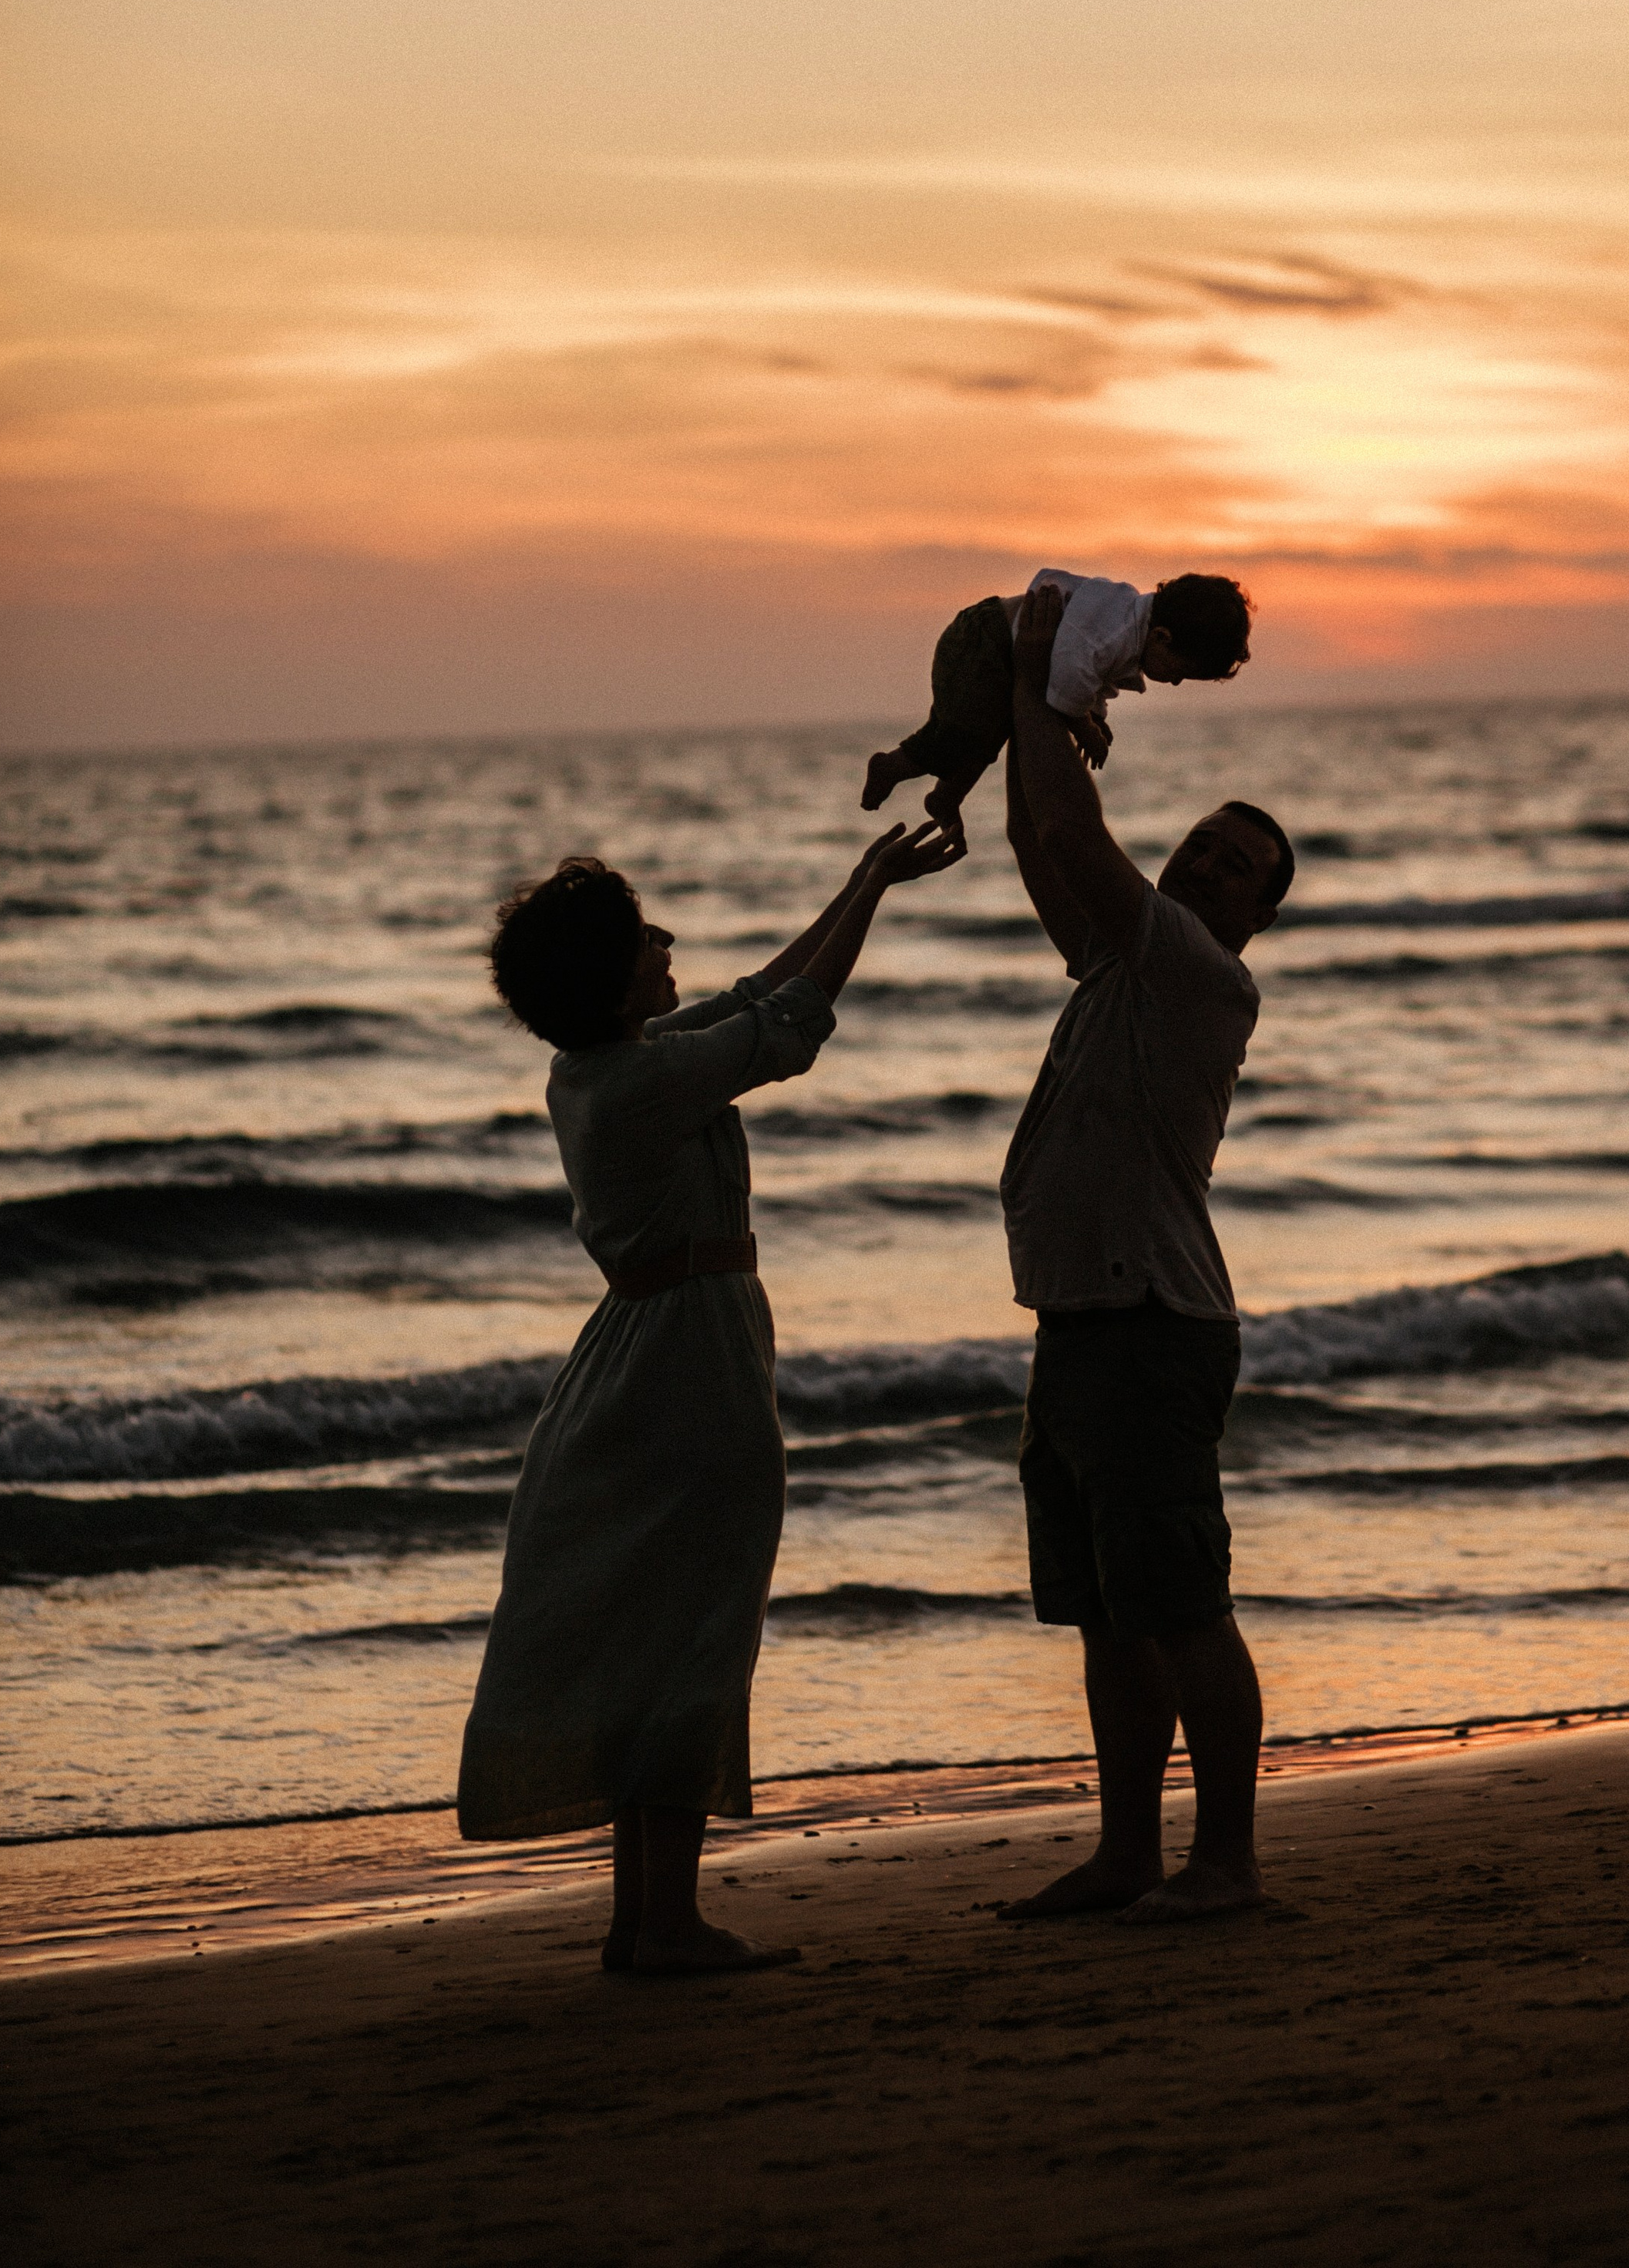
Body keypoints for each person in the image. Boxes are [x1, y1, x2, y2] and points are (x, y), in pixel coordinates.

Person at [457, 817, 962, 1977]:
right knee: (695, 1628)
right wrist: (873, 893)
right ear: (609, 976)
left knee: (658, 1628)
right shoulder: (637, 1082)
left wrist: (861, 878)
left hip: (644, 1354)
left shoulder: (600, 1068)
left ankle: (645, 1921)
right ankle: (666, 1923)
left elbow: (754, 994)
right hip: (688, 1364)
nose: (665, 945)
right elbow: (786, 1027)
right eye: (643, 940)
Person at [995, 582, 1293, 1923]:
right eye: (1203, 846)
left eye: (1239, 868)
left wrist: (1036, 673)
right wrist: (1025, 718)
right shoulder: (1122, 964)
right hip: (1081, 1319)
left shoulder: (1193, 970)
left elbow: (1070, 821)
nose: (1207, 865)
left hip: (1153, 1324)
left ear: (1251, 917)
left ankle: (1221, 1863)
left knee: (1180, 1608)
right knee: (1109, 1618)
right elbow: (1036, 834)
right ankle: (1127, 1855)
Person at [861, 567, 1253, 830]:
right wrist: (1084, 727)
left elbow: (1093, 682)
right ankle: (892, 766)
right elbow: (1069, 677)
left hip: (999, 649)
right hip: (984, 640)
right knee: (962, 732)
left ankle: (947, 796)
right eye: (1181, 672)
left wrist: (1094, 717)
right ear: (1163, 637)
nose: (1177, 683)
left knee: (988, 737)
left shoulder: (1128, 634)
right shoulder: (1113, 630)